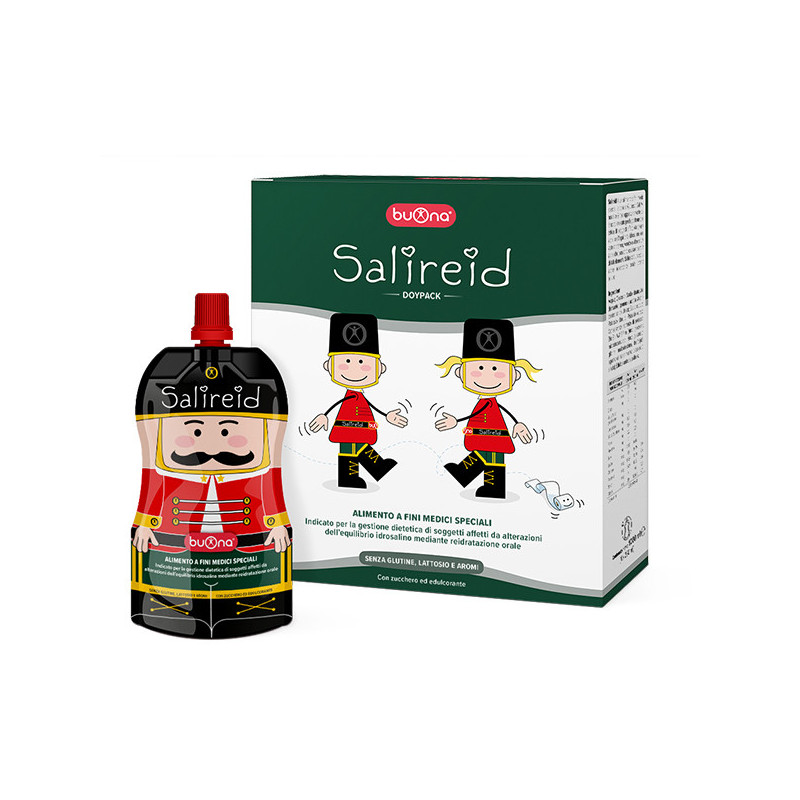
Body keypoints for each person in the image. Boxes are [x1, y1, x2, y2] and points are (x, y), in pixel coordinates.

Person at [435, 318, 540, 499]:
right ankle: (468, 475)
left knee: (492, 459)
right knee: (486, 455)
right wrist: (455, 421)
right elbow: (477, 414)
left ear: (514, 375)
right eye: (480, 367)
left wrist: (517, 425)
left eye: (495, 369)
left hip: (496, 435)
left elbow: (486, 413)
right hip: (487, 435)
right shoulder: (485, 403)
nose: (487, 376)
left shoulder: (489, 404)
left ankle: (484, 483)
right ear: (460, 372)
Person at [309, 312, 408, 488]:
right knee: (348, 450)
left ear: (380, 369)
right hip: (345, 426)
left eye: (362, 362)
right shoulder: (350, 396)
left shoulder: (360, 396)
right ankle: (354, 476)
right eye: (347, 361)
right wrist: (324, 416)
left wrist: (387, 416)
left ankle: (375, 468)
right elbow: (336, 406)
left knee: (357, 446)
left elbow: (373, 407)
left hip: (358, 426)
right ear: (328, 366)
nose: (355, 368)